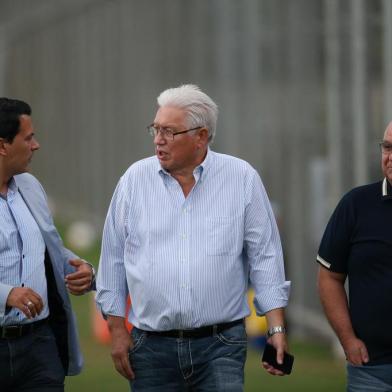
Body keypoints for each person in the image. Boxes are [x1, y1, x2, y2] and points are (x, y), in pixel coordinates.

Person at [96, 84, 291, 391]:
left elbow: (264, 256)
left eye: (169, 132)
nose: (159, 140)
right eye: (156, 129)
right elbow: (112, 259)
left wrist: (276, 327)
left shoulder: (241, 178)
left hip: (221, 344)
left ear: (201, 136)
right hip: (150, 346)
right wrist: (117, 329)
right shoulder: (134, 181)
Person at [0, 97, 95, 391]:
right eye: (28, 138)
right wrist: (6, 295)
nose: (36, 145)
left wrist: (80, 268)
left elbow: (44, 248)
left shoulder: (31, 186)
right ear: (3, 145)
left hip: (39, 345)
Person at [317, 122, 392, 391]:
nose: (390, 157)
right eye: (387, 147)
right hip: (372, 370)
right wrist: (347, 339)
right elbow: (329, 277)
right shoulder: (356, 205)